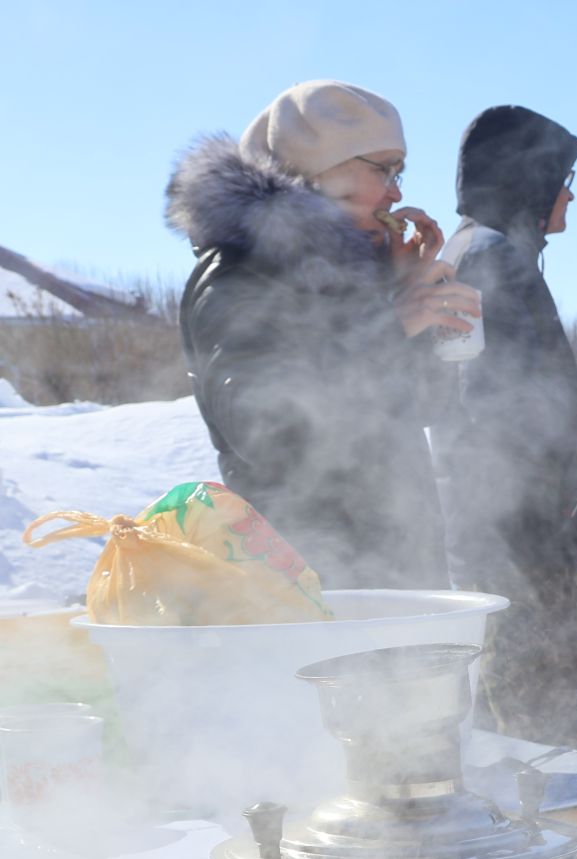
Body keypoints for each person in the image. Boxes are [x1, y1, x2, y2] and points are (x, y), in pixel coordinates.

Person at [166, 80, 477, 588]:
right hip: (311, 595)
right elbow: (270, 435)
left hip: (399, 583)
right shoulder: (236, 275)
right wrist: (390, 322)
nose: (396, 191)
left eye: (400, 172)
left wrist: (402, 292)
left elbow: (425, 407)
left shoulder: (348, 279)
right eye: (382, 169)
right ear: (316, 169)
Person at [438, 105, 577, 753]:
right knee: (545, 735)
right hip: (517, 536)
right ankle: (558, 851)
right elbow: (509, 393)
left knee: (519, 723)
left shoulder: (478, 250)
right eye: (564, 175)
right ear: (528, 179)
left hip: (507, 530)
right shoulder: (492, 256)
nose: (572, 191)